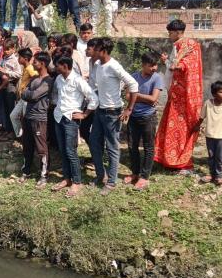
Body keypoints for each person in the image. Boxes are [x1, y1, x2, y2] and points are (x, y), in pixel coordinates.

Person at [89, 37, 138, 195]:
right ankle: (100, 175)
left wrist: (129, 109)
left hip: (112, 113)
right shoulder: (98, 65)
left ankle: (111, 182)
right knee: (94, 143)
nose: (93, 52)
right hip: (100, 110)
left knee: (112, 147)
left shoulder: (114, 66)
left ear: (103, 51)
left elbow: (133, 84)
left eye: (96, 49)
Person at [153, 19, 204, 173]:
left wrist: (178, 65)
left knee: (181, 128)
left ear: (177, 32)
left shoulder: (190, 44)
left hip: (185, 96)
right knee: (171, 127)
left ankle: (181, 162)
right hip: (175, 95)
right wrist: (167, 62)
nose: (169, 35)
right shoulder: (177, 46)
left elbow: (188, 64)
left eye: (170, 32)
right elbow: (173, 67)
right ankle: (168, 159)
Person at [51, 56, 97, 196]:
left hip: (71, 119)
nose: (55, 68)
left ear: (65, 66)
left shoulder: (78, 80)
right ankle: (67, 178)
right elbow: (56, 95)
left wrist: (84, 114)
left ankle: (77, 182)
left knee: (71, 151)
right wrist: (56, 106)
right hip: (58, 117)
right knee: (63, 150)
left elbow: (93, 98)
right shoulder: (59, 79)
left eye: (57, 65)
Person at [125, 52, 164, 190]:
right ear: (143, 65)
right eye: (151, 65)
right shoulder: (134, 77)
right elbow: (127, 96)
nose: (154, 68)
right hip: (134, 116)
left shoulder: (157, 78)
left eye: (155, 65)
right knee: (132, 145)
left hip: (148, 117)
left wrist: (135, 95)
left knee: (148, 147)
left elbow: (154, 98)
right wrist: (144, 98)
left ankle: (144, 176)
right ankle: (135, 173)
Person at [20, 52, 52, 187]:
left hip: (39, 118)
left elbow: (33, 96)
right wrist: (27, 94)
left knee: (41, 147)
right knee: (27, 146)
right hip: (28, 116)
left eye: (35, 61)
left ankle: (44, 175)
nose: (33, 63)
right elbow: (23, 92)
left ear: (42, 64)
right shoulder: (34, 78)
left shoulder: (48, 81)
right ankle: (26, 170)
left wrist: (27, 94)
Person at [195, 81, 222, 185]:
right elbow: (202, 117)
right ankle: (212, 174)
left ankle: (218, 176)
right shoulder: (208, 103)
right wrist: (197, 126)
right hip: (210, 135)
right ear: (214, 94)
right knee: (211, 156)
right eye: (221, 92)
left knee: (220, 157)